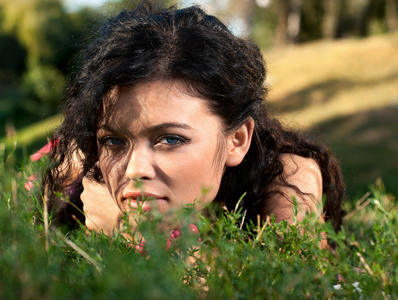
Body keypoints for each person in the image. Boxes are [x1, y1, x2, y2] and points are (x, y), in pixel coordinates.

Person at [43, 3, 345, 242]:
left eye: (171, 139)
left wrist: (130, 237)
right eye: (113, 140)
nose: (135, 170)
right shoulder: (93, 171)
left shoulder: (288, 181)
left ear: (236, 140)